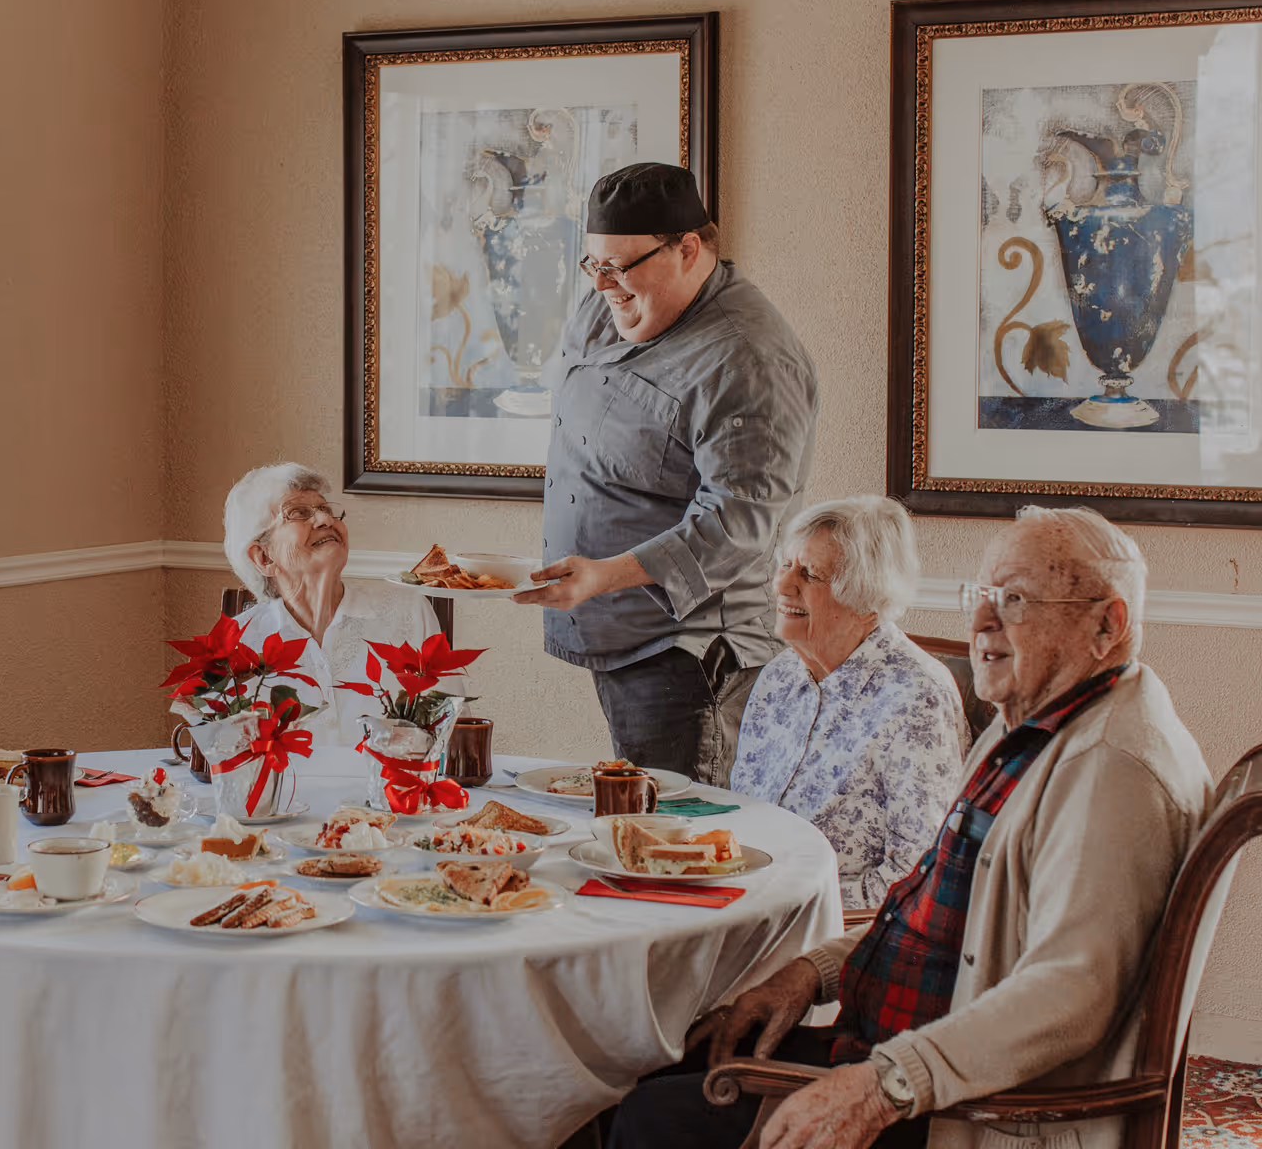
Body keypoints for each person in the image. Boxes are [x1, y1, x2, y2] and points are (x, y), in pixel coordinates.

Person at [612, 506, 1213, 1149]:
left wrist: (884, 1086)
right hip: (892, 1042)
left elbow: (1069, 996)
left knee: (645, 1117)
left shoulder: (1111, 770)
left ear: (1107, 622)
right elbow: (927, 908)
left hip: (963, 1104)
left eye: (1014, 600)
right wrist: (810, 973)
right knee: (648, 1060)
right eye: (979, 596)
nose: (982, 621)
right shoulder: (1033, 730)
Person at [514, 163, 817, 785]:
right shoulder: (612, 303)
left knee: (673, 847)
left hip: (687, 657)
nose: (603, 286)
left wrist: (607, 575)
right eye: (592, 264)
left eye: (620, 266)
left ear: (688, 249)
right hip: (617, 634)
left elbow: (740, 521)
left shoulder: (746, 358)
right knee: (626, 832)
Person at [730, 496, 967, 909]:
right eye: (786, 565)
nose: (783, 585)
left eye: (810, 575)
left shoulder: (916, 696)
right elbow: (744, 815)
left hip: (833, 928)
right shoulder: (779, 676)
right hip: (746, 902)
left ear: (865, 600)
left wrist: (784, 904)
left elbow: (918, 874)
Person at [223, 462, 447, 746]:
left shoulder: (409, 612)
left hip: (388, 790)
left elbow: (450, 734)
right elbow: (229, 757)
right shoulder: (238, 642)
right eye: (299, 513)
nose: (324, 520)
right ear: (264, 558)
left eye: (326, 509)